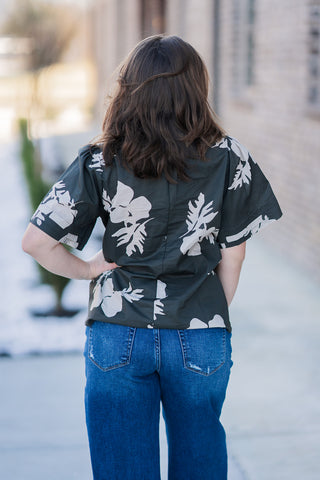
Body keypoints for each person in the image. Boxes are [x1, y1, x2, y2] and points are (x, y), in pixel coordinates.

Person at [22, 34, 282, 480]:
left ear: (128, 90)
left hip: (117, 331)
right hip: (200, 334)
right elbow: (233, 254)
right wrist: (209, 311)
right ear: (198, 89)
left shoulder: (100, 159)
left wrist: (86, 269)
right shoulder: (230, 158)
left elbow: (37, 242)